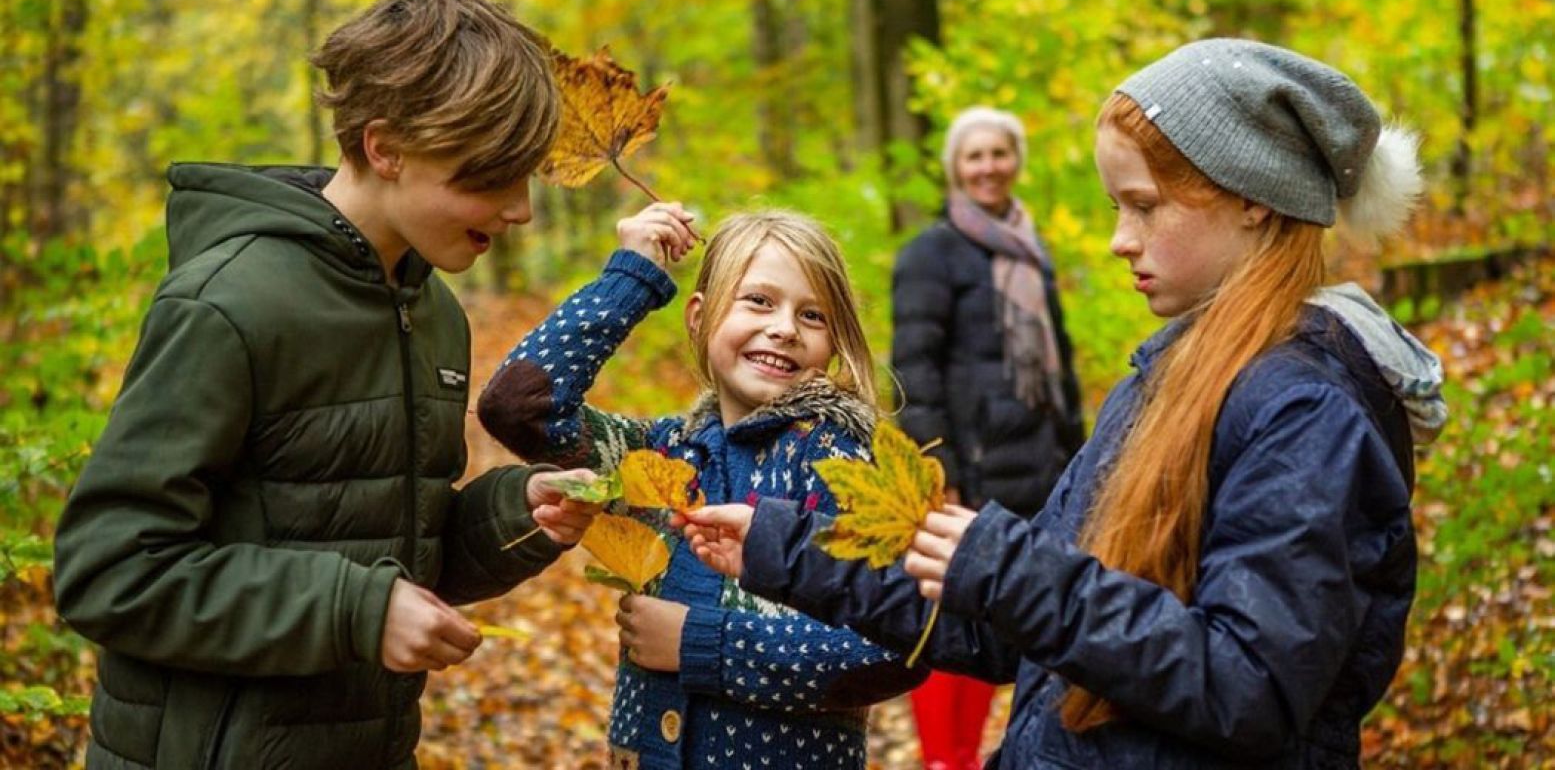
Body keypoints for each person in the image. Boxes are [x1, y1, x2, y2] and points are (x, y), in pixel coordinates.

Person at [678, 38, 1448, 768]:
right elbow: (1006, 626)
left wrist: (1013, 570)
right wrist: (783, 546)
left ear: (1250, 200)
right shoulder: (1167, 379)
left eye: (1143, 206)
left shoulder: (1306, 410)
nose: (1119, 238)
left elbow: (1250, 685)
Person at [52, 0, 603, 769]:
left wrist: (516, 512)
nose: (519, 210)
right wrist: (356, 607)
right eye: (487, 177)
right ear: (385, 147)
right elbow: (109, 569)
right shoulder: (228, 304)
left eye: (525, 178)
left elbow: (395, 548)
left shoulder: (433, 309)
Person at [477, 207, 927, 769]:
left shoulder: (839, 462)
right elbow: (519, 406)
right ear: (700, 316)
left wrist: (701, 645)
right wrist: (632, 276)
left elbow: (895, 646)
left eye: (812, 315)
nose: (784, 327)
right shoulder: (663, 455)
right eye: (759, 301)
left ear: (833, 343)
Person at [892, 105, 1085, 770]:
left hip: (1040, 468)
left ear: (1015, 160)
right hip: (967, 471)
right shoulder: (929, 253)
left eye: (998, 153)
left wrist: (1081, 458)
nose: (986, 167)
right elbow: (912, 368)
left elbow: (1056, 363)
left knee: (1026, 614)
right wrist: (935, 465)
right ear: (954, 167)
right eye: (972, 155)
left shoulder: (1033, 250)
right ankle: (949, 758)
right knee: (955, 612)